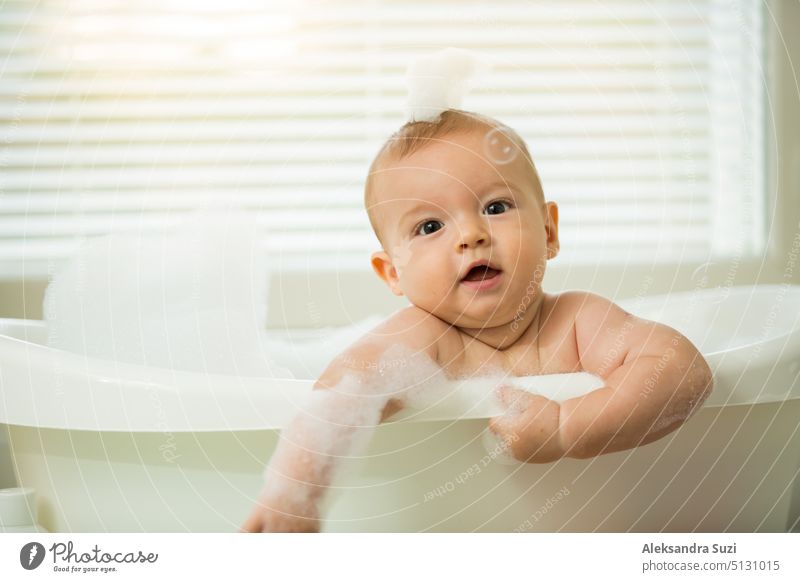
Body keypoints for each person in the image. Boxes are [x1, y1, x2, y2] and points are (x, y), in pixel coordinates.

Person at [240, 108, 714, 533]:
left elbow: (680, 369)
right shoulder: (424, 337)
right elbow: (349, 388)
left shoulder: (577, 320)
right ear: (393, 273)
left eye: (495, 207)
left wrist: (568, 426)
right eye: (430, 226)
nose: (471, 235)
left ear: (549, 231)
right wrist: (295, 491)